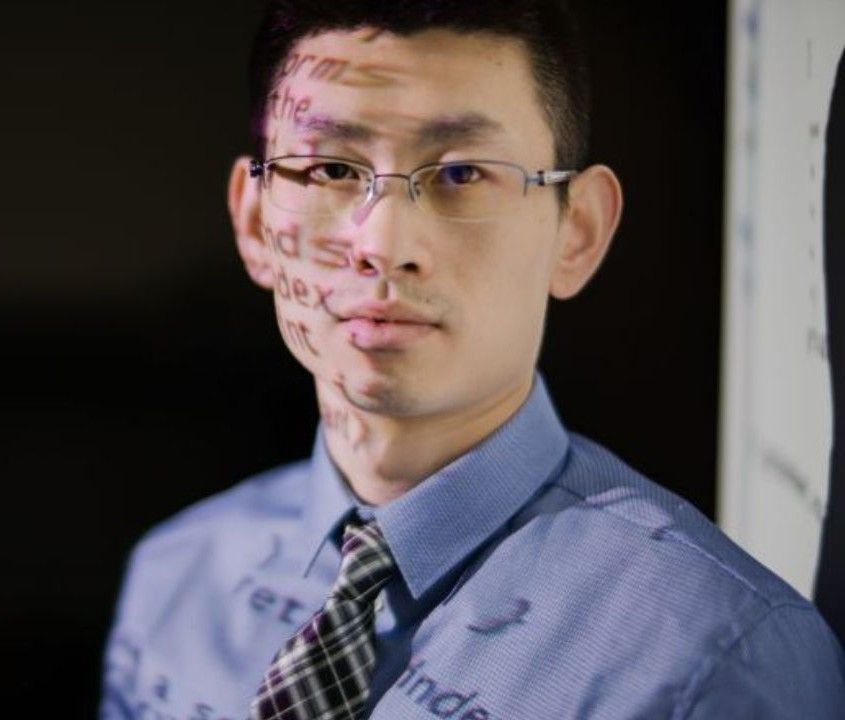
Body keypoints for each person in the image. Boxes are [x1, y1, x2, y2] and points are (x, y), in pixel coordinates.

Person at [100, 1, 845, 718]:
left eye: (460, 173)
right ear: (257, 222)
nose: (384, 245)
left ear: (577, 231)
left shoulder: (712, 655)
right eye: (330, 170)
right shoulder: (175, 578)